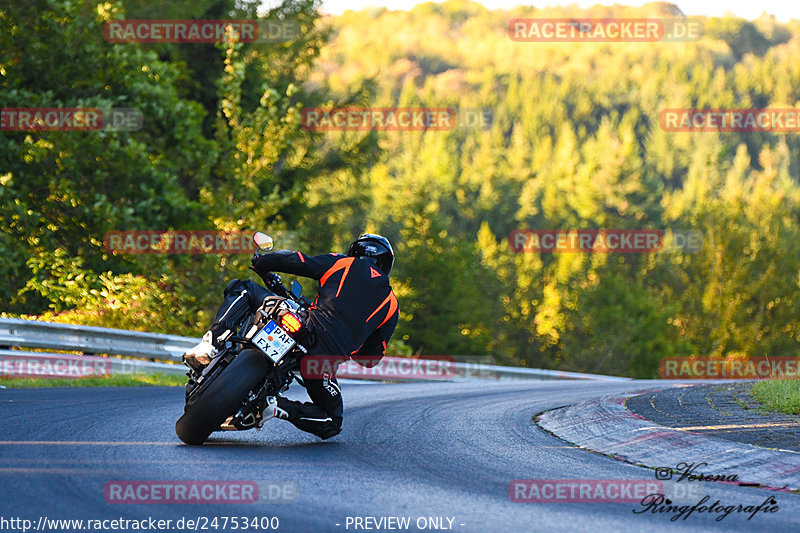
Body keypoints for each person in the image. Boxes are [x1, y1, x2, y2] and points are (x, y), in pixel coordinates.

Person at [182, 233, 399, 439]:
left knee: (244, 288)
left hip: (306, 327)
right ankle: (277, 407)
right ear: (385, 263)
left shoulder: (343, 263)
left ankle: (209, 344)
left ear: (354, 252)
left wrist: (262, 262)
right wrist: (351, 346)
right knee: (333, 421)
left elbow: (298, 261)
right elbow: (371, 357)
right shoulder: (391, 304)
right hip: (322, 362)